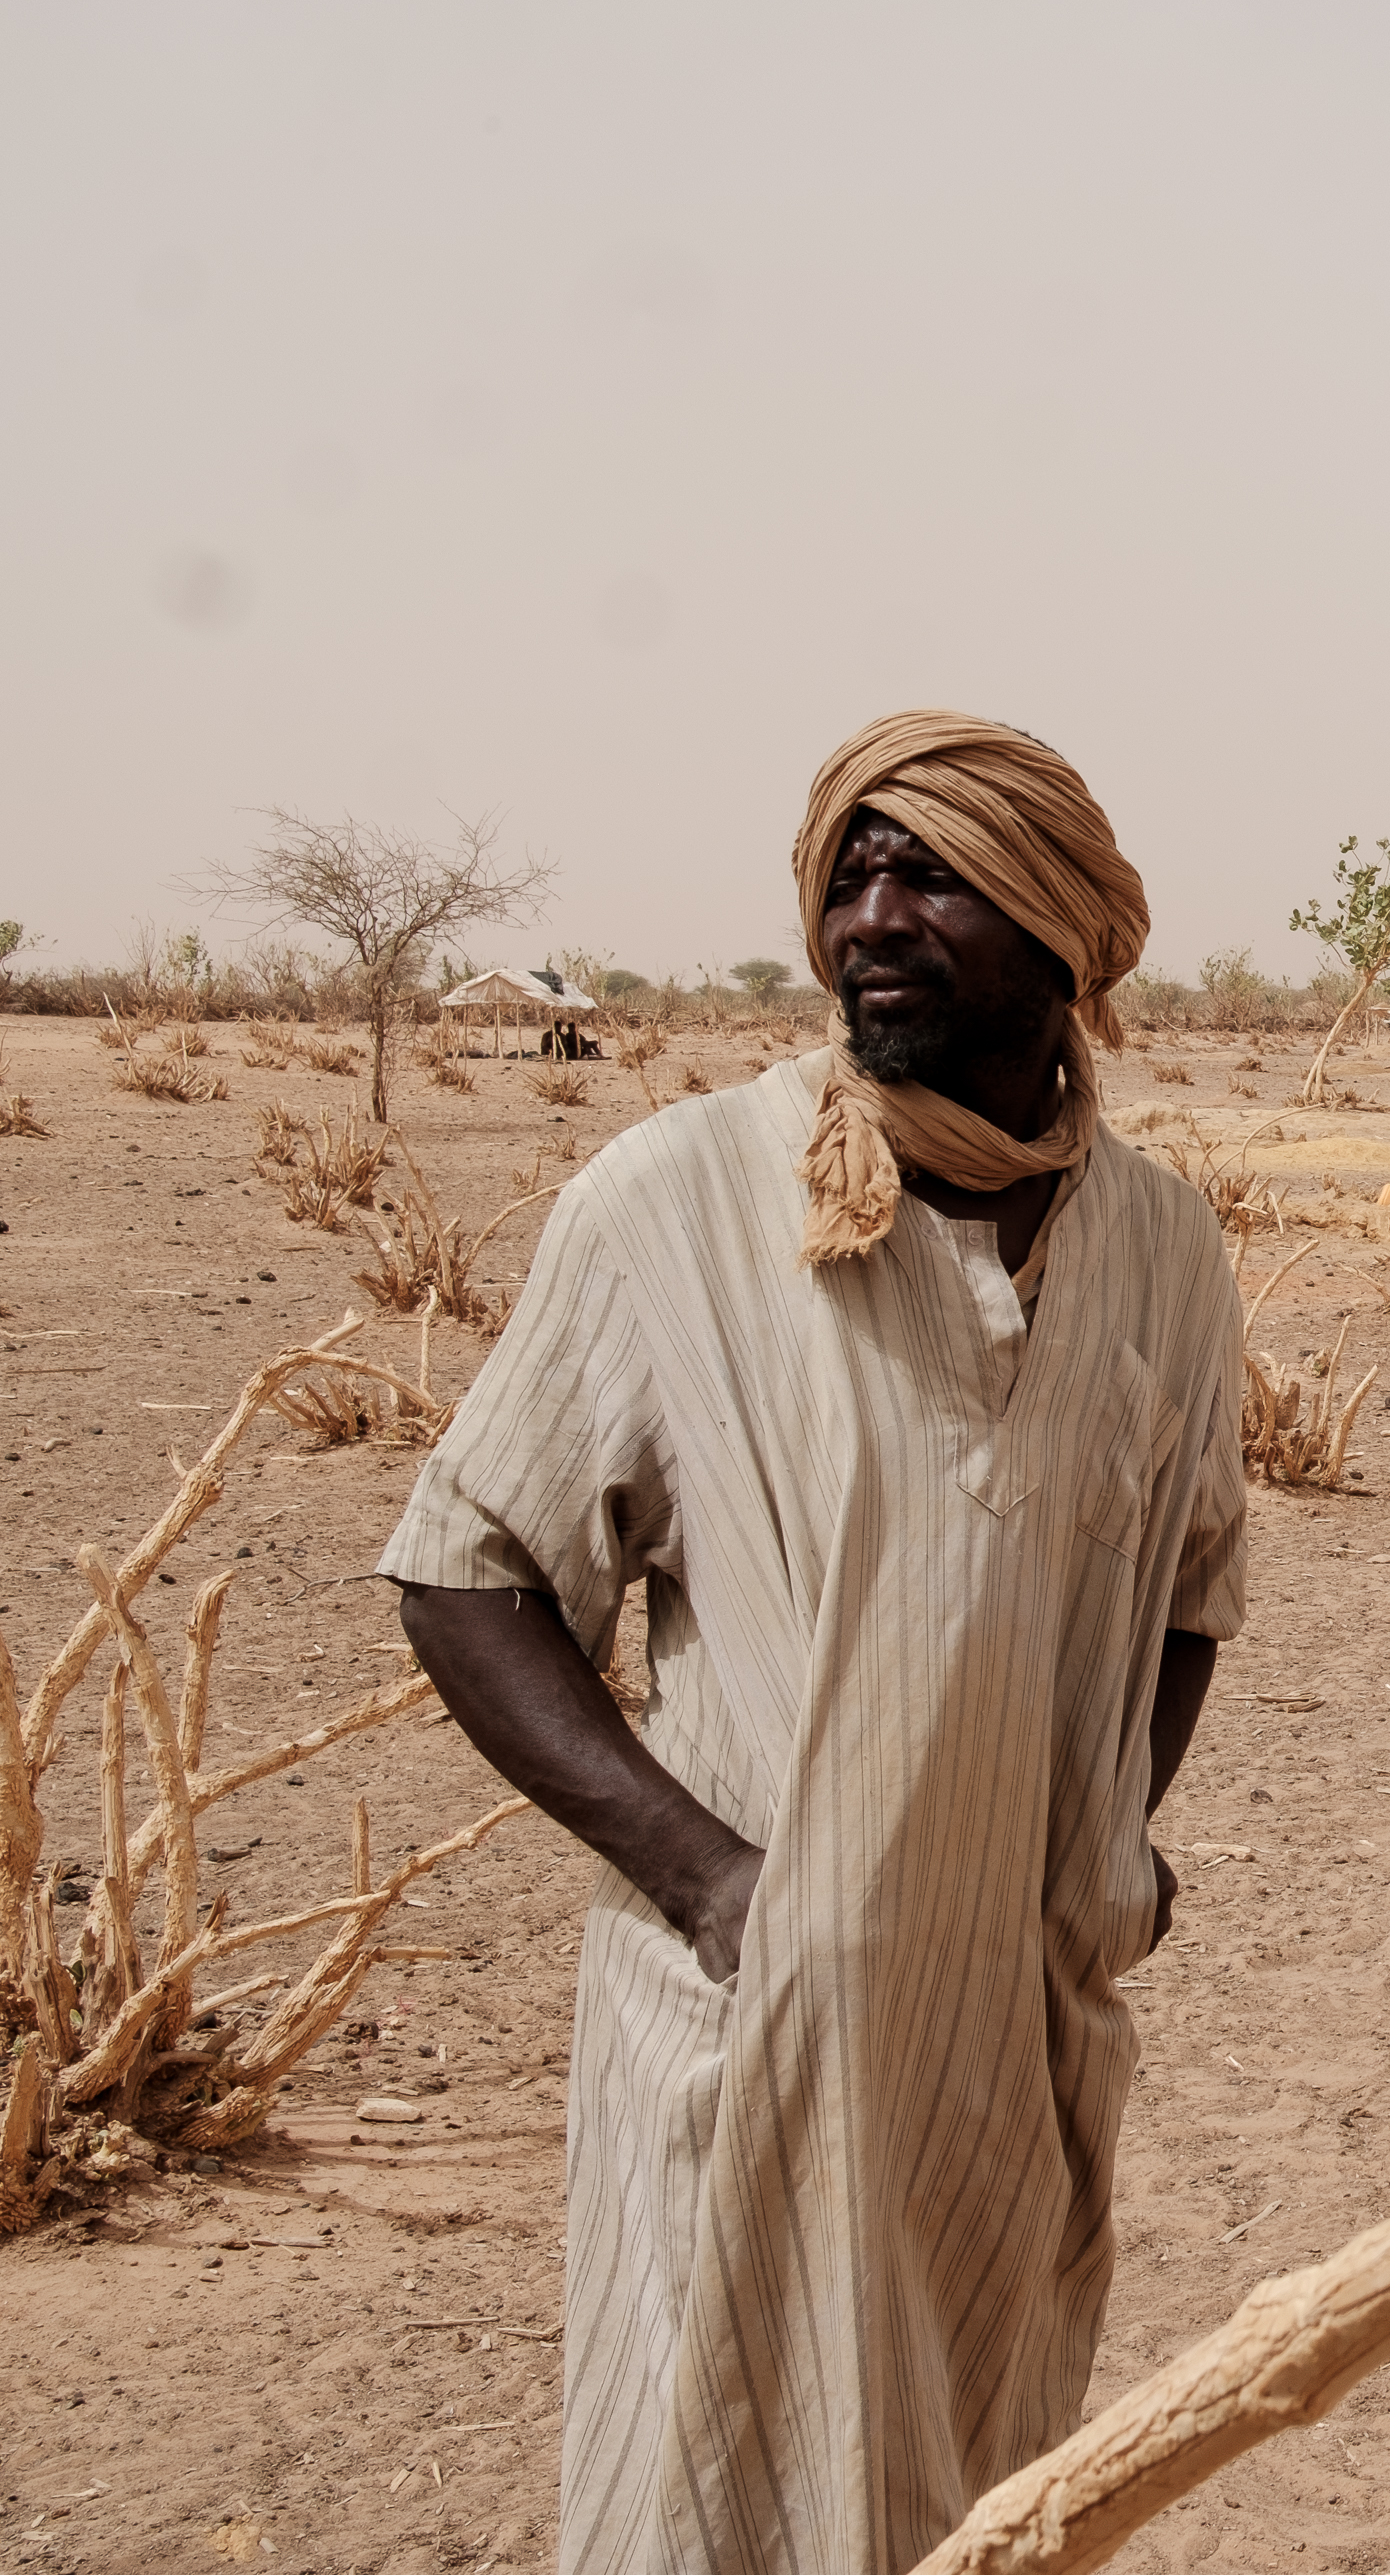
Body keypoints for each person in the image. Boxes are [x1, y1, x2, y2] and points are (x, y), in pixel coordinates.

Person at [381, 712, 1246, 2575]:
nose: (873, 916)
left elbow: (1183, 1590)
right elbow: (466, 1569)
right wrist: (708, 1879)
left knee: (984, 2496)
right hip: (755, 2033)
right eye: (850, 875)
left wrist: (1103, 1848)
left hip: (1011, 2047)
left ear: (1062, 937)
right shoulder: (675, 1203)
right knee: (711, 2504)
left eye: (928, 873)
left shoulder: (1166, 1247)